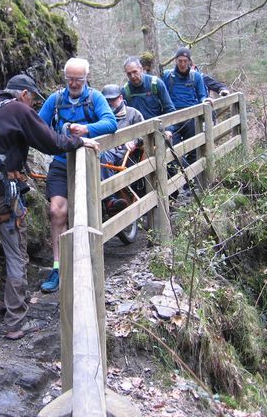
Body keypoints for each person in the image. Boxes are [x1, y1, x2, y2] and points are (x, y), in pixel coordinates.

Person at [0, 74, 99, 339]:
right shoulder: (17, 109)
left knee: (14, 246)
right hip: (2, 191)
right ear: (24, 94)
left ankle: (8, 303)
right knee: (16, 253)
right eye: (32, 99)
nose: (32, 105)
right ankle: (15, 322)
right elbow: (50, 141)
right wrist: (78, 141)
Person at [38, 58, 117, 293]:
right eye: (70, 79)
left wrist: (86, 130)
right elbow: (39, 125)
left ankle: (87, 265)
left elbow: (111, 122)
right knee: (56, 211)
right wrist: (60, 132)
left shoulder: (95, 98)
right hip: (62, 162)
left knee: (85, 213)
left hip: (88, 164)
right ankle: (58, 268)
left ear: (86, 78)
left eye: (78, 79)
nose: (73, 83)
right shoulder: (56, 100)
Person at [99, 84, 144, 212]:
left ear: (121, 97)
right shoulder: (100, 116)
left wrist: (135, 142)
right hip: (105, 156)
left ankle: (109, 199)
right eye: (106, 101)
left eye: (112, 100)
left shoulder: (133, 113)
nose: (110, 103)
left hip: (128, 156)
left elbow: (144, 133)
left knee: (104, 156)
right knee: (102, 155)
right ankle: (108, 201)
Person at [162, 47, 212, 163]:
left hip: (191, 117)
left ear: (189, 61)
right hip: (172, 118)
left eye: (185, 61)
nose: (183, 64)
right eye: (180, 61)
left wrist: (205, 101)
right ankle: (183, 178)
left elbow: (201, 96)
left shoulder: (196, 76)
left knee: (194, 149)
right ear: (176, 60)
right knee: (174, 151)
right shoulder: (167, 76)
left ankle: (195, 178)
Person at [122, 56, 175, 121]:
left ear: (141, 69)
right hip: (137, 129)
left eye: (134, 72)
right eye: (129, 74)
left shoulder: (156, 84)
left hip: (158, 126)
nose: (132, 76)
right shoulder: (125, 91)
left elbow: (169, 109)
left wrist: (169, 129)